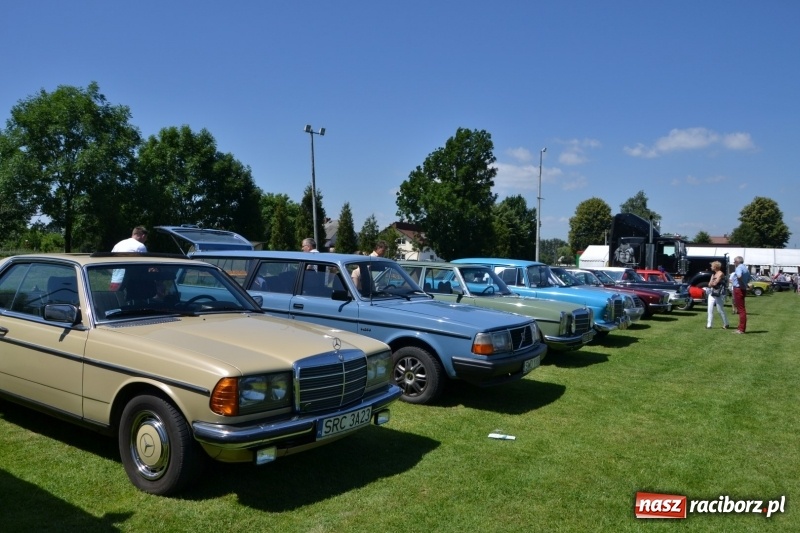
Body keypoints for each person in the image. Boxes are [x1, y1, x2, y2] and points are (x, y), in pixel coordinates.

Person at [706, 261, 729, 330]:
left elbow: (715, 283)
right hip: (712, 293)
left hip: (718, 293)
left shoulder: (720, 273)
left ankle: (726, 323)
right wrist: (712, 282)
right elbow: (709, 284)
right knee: (710, 309)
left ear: (715, 267)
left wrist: (712, 282)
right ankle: (709, 325)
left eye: (712, 266)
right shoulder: (714, 274)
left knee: (720, 309)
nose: (711, 267)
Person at [730, 256, 750, 334]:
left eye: (734, 261)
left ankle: (741, 329)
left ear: (737, 262)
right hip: (742, 289)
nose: (734, 263)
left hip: (738, 289)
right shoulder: (745, 268)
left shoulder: (738, 268)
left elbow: (739, 276)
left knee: (741, 310)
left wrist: (741, 282)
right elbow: (748, 279)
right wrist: (745, 284)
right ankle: (740, 328)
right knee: (742, 309)